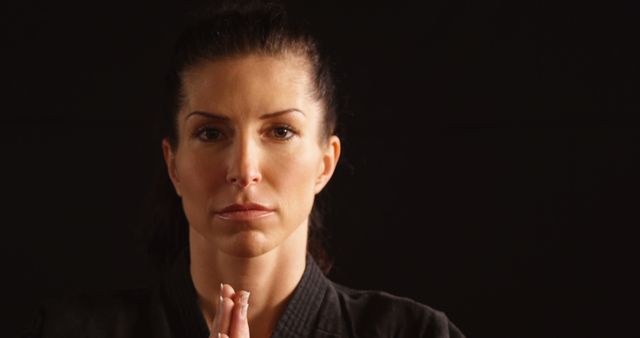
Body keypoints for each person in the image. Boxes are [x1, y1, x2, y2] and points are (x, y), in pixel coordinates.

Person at [21, 1, 465, 337]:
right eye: (211, 134)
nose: (244, 169)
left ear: (325, 163)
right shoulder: (70, 330)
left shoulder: (416, 332)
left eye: (280, 132)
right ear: (173, 164)